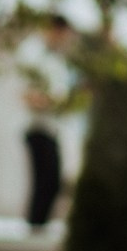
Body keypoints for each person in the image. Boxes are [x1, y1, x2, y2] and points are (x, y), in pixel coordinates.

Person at [23, 14, 80, 230]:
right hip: (38, 127)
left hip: (52, 128)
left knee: (52, 183)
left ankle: (38, 227)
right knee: (46, 182)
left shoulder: (56, 60)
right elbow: (27, 94)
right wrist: (53, 102)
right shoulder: (34, 55)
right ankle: (35, 229)